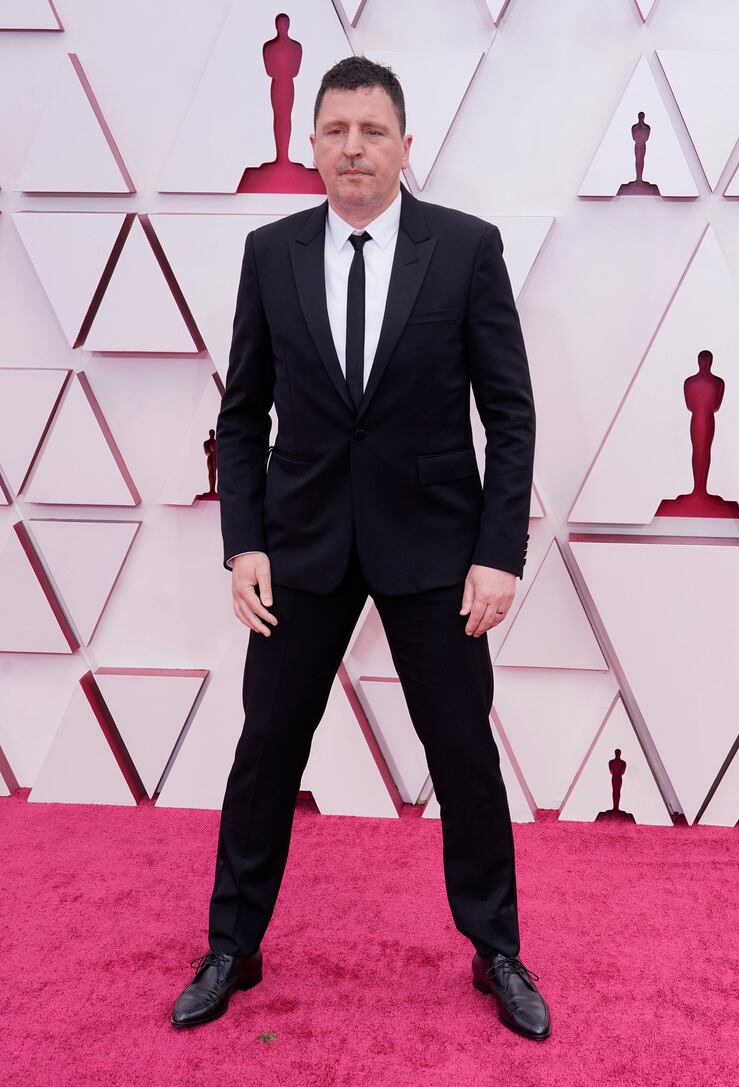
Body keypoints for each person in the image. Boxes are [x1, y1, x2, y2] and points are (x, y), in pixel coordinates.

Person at [171, 55, 549, 1041]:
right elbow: (241, 412)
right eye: (334, 130)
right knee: (264, 753)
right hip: (299, 547)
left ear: (404, 146)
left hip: (434, 549)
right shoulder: (271, 253)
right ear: (311, 145)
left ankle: (496, 947)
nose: (351, 148)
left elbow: (508, 412)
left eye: (371, 131)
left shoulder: (465, 250)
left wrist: (498, 550)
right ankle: (231, 944)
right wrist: (242, 542)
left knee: (464, 755)